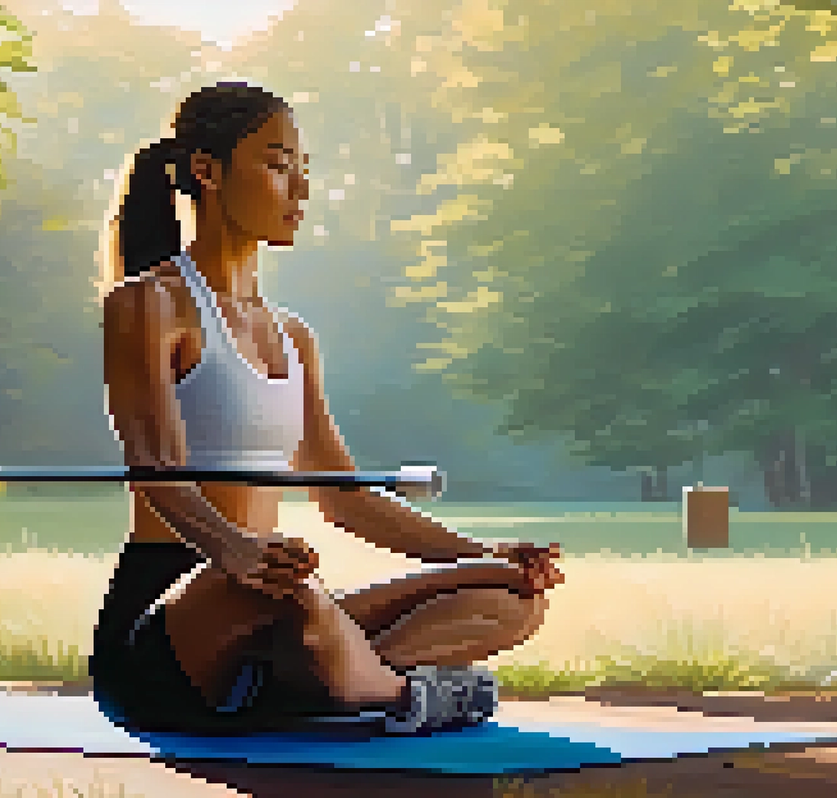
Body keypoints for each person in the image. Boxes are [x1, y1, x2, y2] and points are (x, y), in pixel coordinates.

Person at [92, 81, 564, 735]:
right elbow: (156, 468)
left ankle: (329, 686)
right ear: (206, 171)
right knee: (286, 596)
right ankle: (396, 697)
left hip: (276, 600)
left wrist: (487, 554)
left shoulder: (293, 336)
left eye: (303, 172)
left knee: (513, 596)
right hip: (169, 628)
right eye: (278, 166)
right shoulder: (148, 305)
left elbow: (346, 499)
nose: (301, 193)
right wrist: (235, 553)